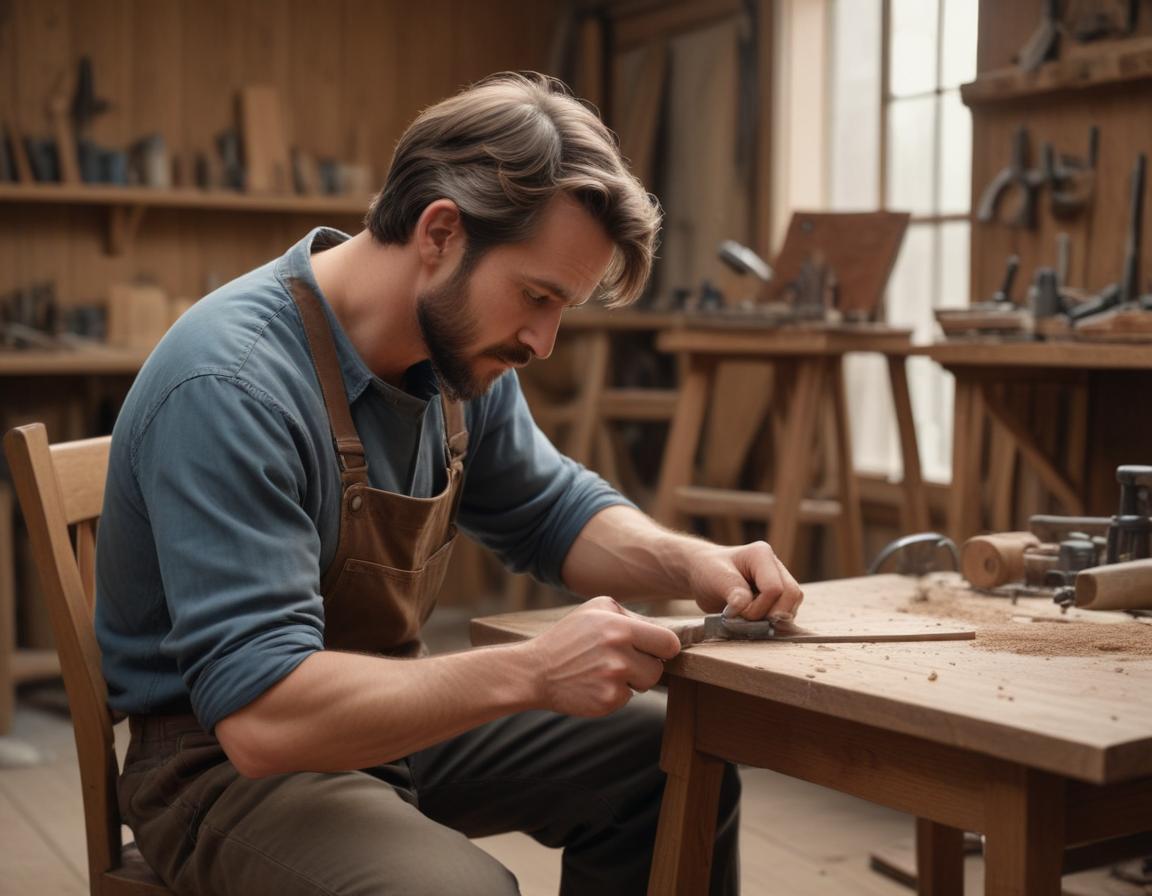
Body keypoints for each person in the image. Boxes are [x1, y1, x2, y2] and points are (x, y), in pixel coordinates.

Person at [96, 71, 803, 895]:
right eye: (536, 297)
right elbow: (263, 717)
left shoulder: (457, 356)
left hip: (382, 724)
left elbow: (552, 511)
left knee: (671, 763)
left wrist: (688, 564)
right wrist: (535, 671)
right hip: (222, 765)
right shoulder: (233, 383)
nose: (543, 342)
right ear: (440, 233)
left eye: (562, 308)